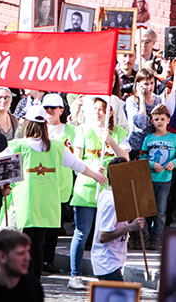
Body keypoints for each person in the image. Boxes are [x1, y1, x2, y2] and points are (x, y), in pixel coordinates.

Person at [0, 105, 108, 280]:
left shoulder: (17, 145)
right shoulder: (57, 146)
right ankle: (34, 286)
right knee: (36, 248)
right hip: (47, 204)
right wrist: (95, 175)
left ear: (27, 123)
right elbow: (77, 164)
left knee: (24, 246)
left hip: (26, 204)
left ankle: (25, 287)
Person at [68, 97, 129, 290]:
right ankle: (75, 275)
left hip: (111, 191)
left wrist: (110, 141)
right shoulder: (82, 130)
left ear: (110, 111)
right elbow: (75, 161)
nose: (97, 112)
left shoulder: (120, 132)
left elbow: (125, 159)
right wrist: (93, 169)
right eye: (94, 108)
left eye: (102, 109)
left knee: (110, 230)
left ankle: (114, 269)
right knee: (82, 232)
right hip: (87, 187)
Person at [91, 157, 145, 281]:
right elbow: (103, 236)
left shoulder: (107, 193)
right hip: (107, 263)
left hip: (112, 261)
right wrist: (130, 227)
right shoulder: (112, 201)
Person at [41, 94, 76, 274]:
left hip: (61, 183)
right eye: (45, 107)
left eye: (52, 108)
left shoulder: (71, 130)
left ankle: (49, 260)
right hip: (41, 182)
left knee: (55, 225)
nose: (48, 111)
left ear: (61, 110)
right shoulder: (38, 128)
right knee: (40, 225)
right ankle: (38, 259)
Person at [139, 104, 176, 250]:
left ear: (168, 120)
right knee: (144, 211)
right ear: (152, 121)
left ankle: (156, 239)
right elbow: (142, 158)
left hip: (164, 180)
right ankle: (145, 237)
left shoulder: (173, 138)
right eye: (156, 119)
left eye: (162, 118)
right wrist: (152, 164)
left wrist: (173, 162)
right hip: (148, 180)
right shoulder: (148, 138)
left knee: (160, 212)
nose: (159, 122)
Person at [126, 68, 163, 160]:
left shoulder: (158, 100)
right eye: (146, 84)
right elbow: (141, 124)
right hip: (136, 146)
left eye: (152, 83)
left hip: (152, 145)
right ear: (138, 85)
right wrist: (142, 100)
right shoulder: (132, 101)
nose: (150, 87)